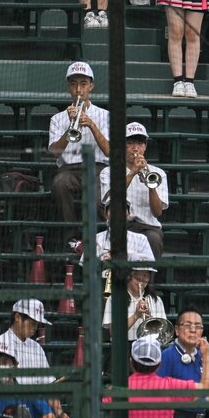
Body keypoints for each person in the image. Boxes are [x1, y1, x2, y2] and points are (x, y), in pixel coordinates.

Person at [48, 61, 109, 237]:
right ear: (69, 87)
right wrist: (69, 129)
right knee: (59, 185)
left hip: (98, 168)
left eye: (83, 84)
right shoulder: (58, 118)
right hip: (69, 170)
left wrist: (91, 125)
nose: (79, 90)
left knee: (99, 200)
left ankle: (102, 239)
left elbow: (110, 152)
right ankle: (71, 238)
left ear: (91, 86)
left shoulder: (105, 116)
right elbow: (54, 152)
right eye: (74, 84)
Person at [97, 121, 168, 258]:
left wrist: (151, 187)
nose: (135, 148)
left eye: (140, 143)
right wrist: (132, 172)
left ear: (145, 146)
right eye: (130, 143)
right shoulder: (108, 172)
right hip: (120, 225)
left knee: (154, 239)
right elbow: (111, 198)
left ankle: (148, 279)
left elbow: (158, 212)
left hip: (148, 227)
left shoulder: (158, 173)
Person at [101, 264, 166, 341]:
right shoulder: (114, 299)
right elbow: (113, 333)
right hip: (124, 348)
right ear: (128, 276)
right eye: (136, 275)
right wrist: (136, 316)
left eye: (145, 276)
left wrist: (150, 319)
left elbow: (162, 332)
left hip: (148, 347)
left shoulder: (156, 300)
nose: (141, 280)